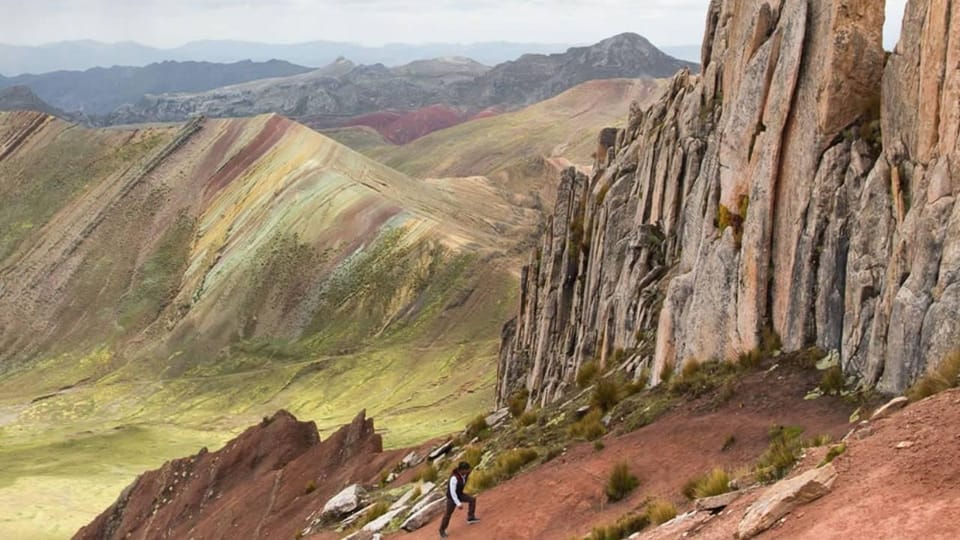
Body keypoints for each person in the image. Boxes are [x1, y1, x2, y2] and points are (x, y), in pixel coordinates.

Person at [439, 461, 479, 537]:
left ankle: (470, 518)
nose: (468, 471)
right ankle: (442, 530)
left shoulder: (465, 473)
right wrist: (458, 503)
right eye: (467, 469)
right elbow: (452, 492)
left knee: (472, 500)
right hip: (451, 498)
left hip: (460, 494)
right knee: (448, 514)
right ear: (461, 470)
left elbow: (471, 471)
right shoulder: (454, 478)